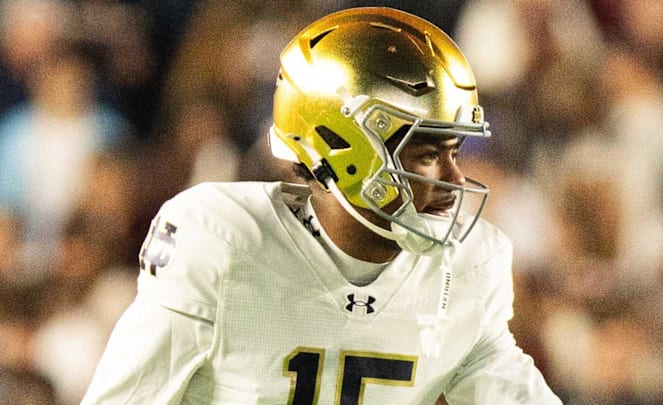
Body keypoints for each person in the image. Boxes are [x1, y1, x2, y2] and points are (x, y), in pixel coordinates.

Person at [82, 7, 561, 404]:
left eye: (454, 152)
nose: (455, 180)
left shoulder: (466, 267)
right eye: (429, 155)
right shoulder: (225, 244)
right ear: (343, 147)